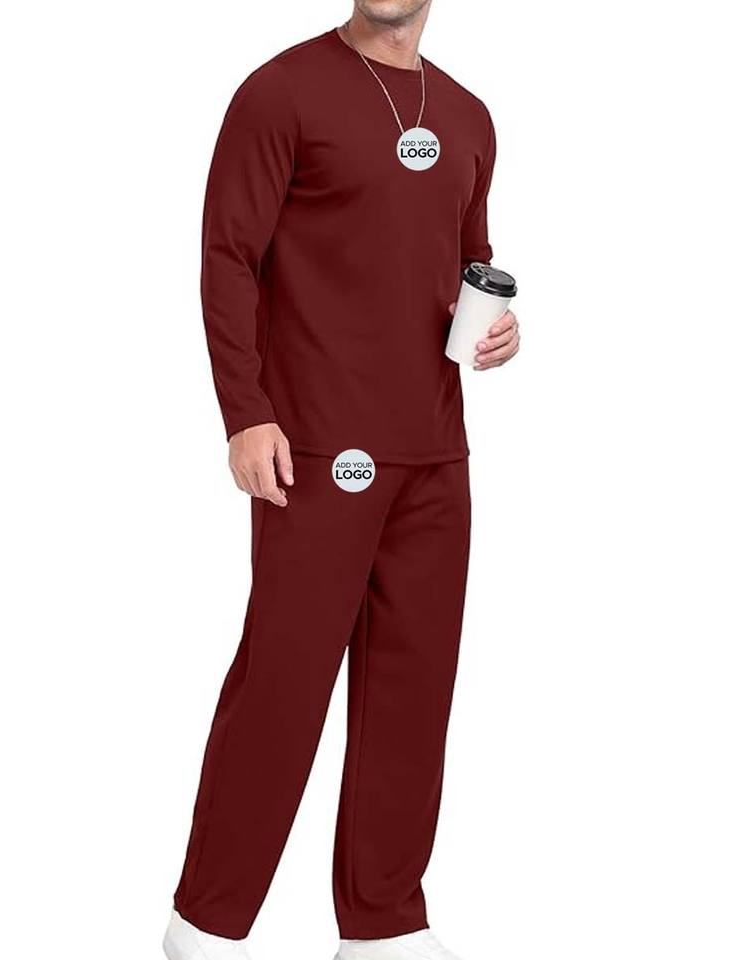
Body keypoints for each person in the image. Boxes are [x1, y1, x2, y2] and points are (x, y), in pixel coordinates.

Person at [165, 3, 519, 958]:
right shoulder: (280, 93)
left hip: (434, 453)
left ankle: (384, 926)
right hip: (316, 450)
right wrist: (245, 412)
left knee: (414, 694)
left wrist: (497, 328)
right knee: (282, 686)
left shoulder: (470, 116)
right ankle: (205, 925)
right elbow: (227, 257)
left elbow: (469, 259)